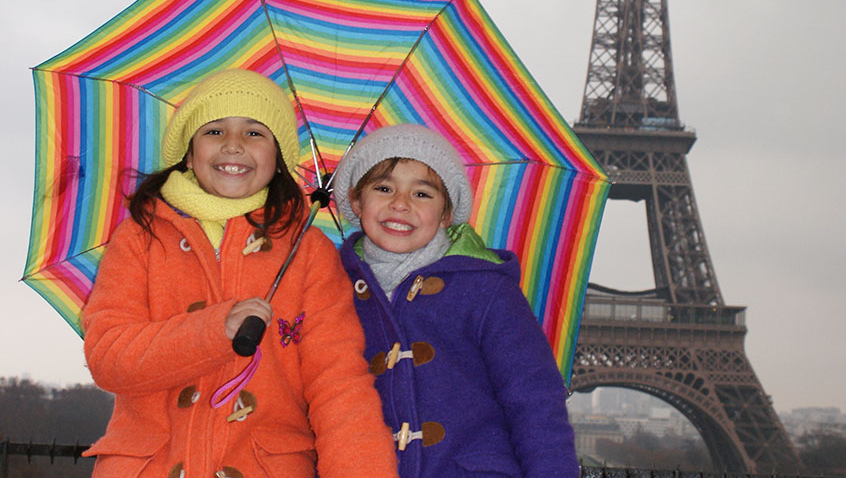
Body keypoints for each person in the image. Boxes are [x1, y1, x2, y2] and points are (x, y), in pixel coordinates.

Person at [82, 69, 399, 478]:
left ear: (278, 155)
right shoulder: (140, 237)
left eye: (254, 133)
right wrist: (213, 330)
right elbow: (109, 357)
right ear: (190, 152)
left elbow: (339, 386)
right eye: (214, 131)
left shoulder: (309, 253)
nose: (233, 145)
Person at [332, 123, 579, 478]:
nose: (399, 204)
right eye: (384, 188)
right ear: (356, 200)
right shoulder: (330, 287)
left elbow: (535, 404)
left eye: (422, 194)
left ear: (448, 213)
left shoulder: (488, 291)